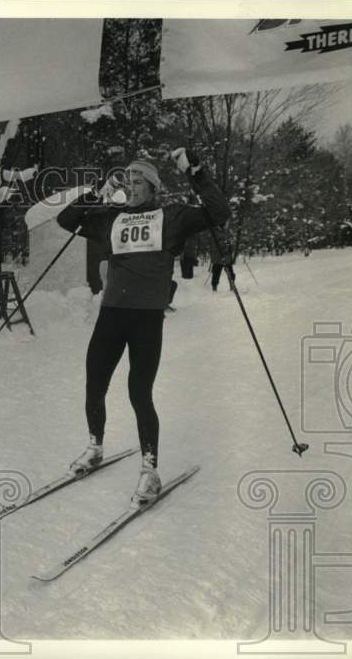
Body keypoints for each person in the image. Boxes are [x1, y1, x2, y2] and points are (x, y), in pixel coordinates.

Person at [56, 149, 230, 506]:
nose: (131, 186)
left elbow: (219, 213)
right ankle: (94, 447)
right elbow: (66, 219)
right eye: (128, 180)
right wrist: (99, 191)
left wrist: (195, 172)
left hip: (146, 318)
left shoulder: (171, 217)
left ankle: (150, 470)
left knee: (139, 392)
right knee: (95, 383)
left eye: (139, 181)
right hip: (112, 314)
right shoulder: (112, 217)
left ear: (152, 187)